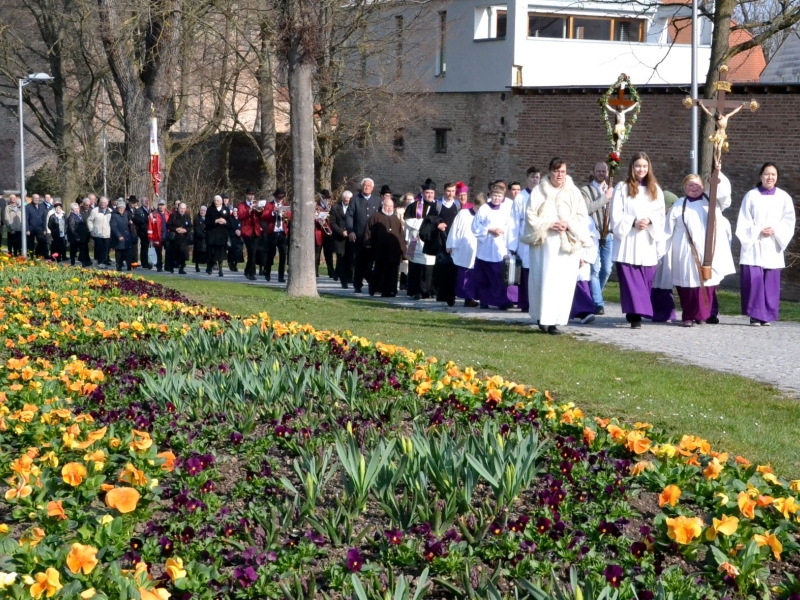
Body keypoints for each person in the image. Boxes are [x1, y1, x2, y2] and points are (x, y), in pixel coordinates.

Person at [524, 157, 591, 334]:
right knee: (544, 280)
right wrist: (548, 224)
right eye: (556, 171)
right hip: (544, 244)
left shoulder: (573, 192)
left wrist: (568, 224)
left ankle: (554, 321)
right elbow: (531, 215)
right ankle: (542, 317)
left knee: (561, 282)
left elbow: (582, 216)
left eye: (562, 171)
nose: (559, 175)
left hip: (565, 244)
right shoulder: (539, 191)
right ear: (550, 172)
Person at [666, 174, 735, 327]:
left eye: (697, 184)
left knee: (707, 282)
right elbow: (667, 230)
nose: (694, 187)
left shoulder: (712, 201)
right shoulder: (679, 205)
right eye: (690, 185)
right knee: (687, 285)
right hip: (686, 250)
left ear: (703, 186)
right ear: (685, 188)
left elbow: (724, 194)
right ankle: (688, 316)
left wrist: (717, 173)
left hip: (709, 250)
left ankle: (702, 315)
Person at [736, 162, 796, 325]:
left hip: (772, 244)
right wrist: (757, 230)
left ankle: (767, 315)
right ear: (760, 176)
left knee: (770, 282)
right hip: (754, 243)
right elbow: (743, 220)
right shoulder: (751, 195)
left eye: (773, 174)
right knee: (754, 280)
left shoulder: (784, 197)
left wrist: (775, 229)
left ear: (777, 177)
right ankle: (755, 315)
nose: (770, 177)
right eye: (767, 174)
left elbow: (789, 220)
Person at [610, 152, 666, 329]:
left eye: (644, 166)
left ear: (648, 168)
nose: (641, 169)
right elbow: (615, 214)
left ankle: (634, 310)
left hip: (647, 240)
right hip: (628, 240)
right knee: (631, 280)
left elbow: (660, 213)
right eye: (637, 166)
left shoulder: (655, 188)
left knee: (646, 278)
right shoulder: (622, 187)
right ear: (632, 167)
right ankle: (635, 316)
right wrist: (633, 222)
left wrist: (649, 220)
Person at [471, 184, 515, 310]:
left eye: (499, 196)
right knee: (484, 277)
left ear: (503, 197)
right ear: (490, 195)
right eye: (495, 195)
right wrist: (489, 230)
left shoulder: (506, 210)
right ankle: (484, 300)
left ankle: (502, 301)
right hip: (485, 247)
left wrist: (503, 231)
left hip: (499, 248)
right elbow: (475, 226)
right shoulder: (484, 208)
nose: (496, 198)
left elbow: (510, 226)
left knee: (499, 277)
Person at [580, 162, 614, 315]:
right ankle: (598, 303)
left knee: (606, 270)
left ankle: (595, 295)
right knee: (594, 269)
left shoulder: (614, 189)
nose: (601, 173)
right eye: (598, 171)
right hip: (594, 235)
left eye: (604, 171)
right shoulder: (585, 191)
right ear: (593, 172)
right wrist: (605, 198)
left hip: (609, 235)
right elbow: (587, 209)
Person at [419, 182, 461, 306]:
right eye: (448, 191)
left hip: (453, 240)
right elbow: (428, 221)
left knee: (453, 269)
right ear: (444, 191)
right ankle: (440, 294)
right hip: (441, 241)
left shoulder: (457, 205)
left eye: (453, 191)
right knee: (441, 268)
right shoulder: (437, 205)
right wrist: (437, 225)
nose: (450, 193)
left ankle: (451, 294)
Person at [509, 167, 541, 313]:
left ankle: (538, 302)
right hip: (525, 239)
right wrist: (512, 245)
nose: (535, 179)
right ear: (527, 178)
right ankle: (526, 302)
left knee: (539, 271)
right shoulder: (521, 198)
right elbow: (514, 222)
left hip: (540, 238)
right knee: (526, 272)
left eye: (537, 177)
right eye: (532, 177)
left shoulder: (543, 195)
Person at [447, 192, 485, 307]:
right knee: (461, 274)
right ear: (474, 204)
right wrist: (450, 244)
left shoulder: (484, 217)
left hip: (476, 249)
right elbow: (454, 228)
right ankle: (453, 296)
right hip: (462, 248)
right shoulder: (463, 214)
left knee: (473, 275)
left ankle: (470, 298)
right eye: (478, 208)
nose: (479, 211)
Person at [364, 195, 406, 297]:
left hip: (393, 252)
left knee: (392, 272)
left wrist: (403, 249)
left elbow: (400, 235)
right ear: (383, 205)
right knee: (379, 271)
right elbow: (368, 233)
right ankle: (376, 289)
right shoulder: (376, 217)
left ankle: (391, 290)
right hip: (380, 251)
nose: (389, 208)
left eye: (391, 206)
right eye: (387, 206)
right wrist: (368, 245)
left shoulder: (396, 219)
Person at [348, 178, 382, 293]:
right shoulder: (355, 200)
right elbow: (349, 216)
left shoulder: (377, 201)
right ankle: (357, 284)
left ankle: (373, 283)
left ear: (372, 188)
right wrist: (351, 231)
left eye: (368, 186)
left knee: (371, 262)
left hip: (373, 237)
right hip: (359, 236)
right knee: (359, 262)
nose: (366, 187)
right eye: (364, 185)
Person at [404, 182, 438, 299]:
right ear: (423, 193)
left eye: (431, 193)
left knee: (430, 267)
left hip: (431, 240)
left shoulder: (437, 205)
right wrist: (424, 223)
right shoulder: (414, 206)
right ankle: (416, 291)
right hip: (416, 239)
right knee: (416, 265)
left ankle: (429, 291)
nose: (429, 195)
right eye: (427, 193)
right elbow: (407, 220)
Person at [570, 218, 600, 325]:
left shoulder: (587, 219)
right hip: (565, 255)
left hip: (582, 257)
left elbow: (593, 241)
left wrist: (585, 258)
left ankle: (585, 311)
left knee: (581, 282)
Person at [261, 189, 291, 282]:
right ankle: (267, 272)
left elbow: (290, 218)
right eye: (278, 198)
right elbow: (264, 216)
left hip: (282, 232)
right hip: (272, 232)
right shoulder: (269, 205)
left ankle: (281, 276)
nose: (280, 199)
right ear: (275, 197)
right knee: (271, 253)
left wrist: (286, 215)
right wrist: (273, 212)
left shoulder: (285, 205)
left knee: (283, 255)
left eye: (281, 198)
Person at [329, 191, 353, 288]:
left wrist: (351, 231)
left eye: (349, 201)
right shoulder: (335, 208)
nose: (348, 202)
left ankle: (349, 276)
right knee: (341, 258)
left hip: (350, 236)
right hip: (339, 237)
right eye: (346, 200)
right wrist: (341, 231)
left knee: (350, 258)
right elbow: (333, 223)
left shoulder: (353, 207)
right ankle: (343, 281)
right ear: (343, 199)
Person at [237, 187, 261, 280]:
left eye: (253, 195)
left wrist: (260, 211)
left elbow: (260, 216)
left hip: (256, 230)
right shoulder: (241, 205)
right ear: (246, 195)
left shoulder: (256, 203)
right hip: (247, 231)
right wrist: (249, 210)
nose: (251, 196)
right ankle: (250, 273)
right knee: (251, 251)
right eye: (250, 195)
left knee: (254, 252)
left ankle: (248, 270)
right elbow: (240, 216)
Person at [205, 195, 231, 276]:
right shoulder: (210, 210)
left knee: (220, 253)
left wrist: (225, 222)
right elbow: (207, 222)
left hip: (222, 235)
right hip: (212, 235)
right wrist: (215, 221)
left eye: (218, 200)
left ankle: (220, 270)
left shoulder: (226, 210)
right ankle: (209, 267)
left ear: (221, 201)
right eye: (215, 200)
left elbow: (230, 223)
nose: (216, 202)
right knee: (211, 252)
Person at [167, 202, 193, 274]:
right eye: (181, 208)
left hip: (184, 238)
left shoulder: (187, 216)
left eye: (184, 209)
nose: (182, 210)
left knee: (183, 254)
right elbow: (168, 225)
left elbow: (190, 226)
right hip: (175, 238)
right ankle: (171, 267)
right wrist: (176, 229)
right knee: (174, 253)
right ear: (178, 208)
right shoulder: (173, 215)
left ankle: (181, 268)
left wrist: (185, 230)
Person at [315, 189, 336, 279]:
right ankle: (315, 272)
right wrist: (318, 218)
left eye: (327, 198)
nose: (326, 200)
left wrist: (329, 215)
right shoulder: (316, 207)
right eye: (325, 198)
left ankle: (331, 272)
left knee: (329, 254)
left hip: (328, 234)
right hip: (319, 232)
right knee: (316, 254)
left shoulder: (331, 207)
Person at [110, 198, 135, 271]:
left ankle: (129, 266)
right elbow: (113, 227)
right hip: (119, 237)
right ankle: (119, 266)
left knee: (128, 252)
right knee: (119, 253)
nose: (121, 209)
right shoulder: (114, 216)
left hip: (127, 237)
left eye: (122, 208)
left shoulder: (126, 214)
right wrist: (119, 235)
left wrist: (130, 222)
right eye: (119, 208)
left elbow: (130, 222)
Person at [88, 197, 113, 266]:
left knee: (106, 248)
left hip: (107, 233)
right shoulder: (94, 211)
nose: (102, 204)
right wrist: (91, 230)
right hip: (97, 233)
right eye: (101, 202)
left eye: (104, 202)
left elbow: (112, 222)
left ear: (107, 203)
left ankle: (105, 260)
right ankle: (99, 261)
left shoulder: (110, 211)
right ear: (99, 203)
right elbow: (89, 220)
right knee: (99, 248)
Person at [147, 200, 170, 272]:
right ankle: (159, 267)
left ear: (165, 206)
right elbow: (150, 227)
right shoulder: (153, 215)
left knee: (169, 252)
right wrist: (150, 237)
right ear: (158, 206)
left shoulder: (169, 214)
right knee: (158, 253)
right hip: (157, 237)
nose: (161, 206)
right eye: (160, 205)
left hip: (167, 236)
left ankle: (167, 266)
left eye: (163, 205)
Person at [66, 202, 91, 267]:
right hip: (75, 238)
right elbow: (72, 228)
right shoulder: (72, 217)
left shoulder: (79, 215)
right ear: (72, 210)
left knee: (83, 250)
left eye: (78, 208)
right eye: (75, 209)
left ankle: (84, 263)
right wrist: (76, 236)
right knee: (73, 251)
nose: (77, 210)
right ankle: (73, 263)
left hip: (82, 236)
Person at [25, 194, 49, 258]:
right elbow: (26, 219)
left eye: (38, 198)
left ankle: (37, 253)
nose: (36, 199)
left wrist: (44, 229)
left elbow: (44, 219)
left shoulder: (42, 207)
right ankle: (31, 256)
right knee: (30, 244)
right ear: (32, 198)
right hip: (31, 228)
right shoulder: (28, 207)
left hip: (40, 228)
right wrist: (27, 229)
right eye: (35, 198)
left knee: (42, 241)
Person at [133, 196, 151, 268]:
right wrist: (147, 218)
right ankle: (144, 262)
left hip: (151, 231)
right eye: (144, 201)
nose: (146, 202)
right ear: (141, 202)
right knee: (144, 247)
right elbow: (137, 220)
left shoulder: (151, 209)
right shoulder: (138, 210)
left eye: (147, 200)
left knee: (150, 247)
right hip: (143, 232)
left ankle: (151, 261)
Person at [228, 206, 244, 271]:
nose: (235, 213)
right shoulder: (230, 219)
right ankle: (231, 264)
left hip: (239, 239)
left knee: (238, 252)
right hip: (232, 238)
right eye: (234, 211)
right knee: (231, 252)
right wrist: (235, 232)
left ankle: (235, 265)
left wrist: (240, 231)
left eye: (236, 211)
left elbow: (243, 227)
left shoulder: (241, 220)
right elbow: (228, 229)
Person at [193, 206, 208, 272]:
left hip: (207, 239)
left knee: (207, 253)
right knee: (198, 253)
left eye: (204, 210)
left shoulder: (208, 219)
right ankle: (197, 266)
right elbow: (196, 230)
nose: (202, 212)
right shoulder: (196, 219)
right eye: (201, 210)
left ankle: (208, 266)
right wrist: (203, 235)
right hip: (198, 239)